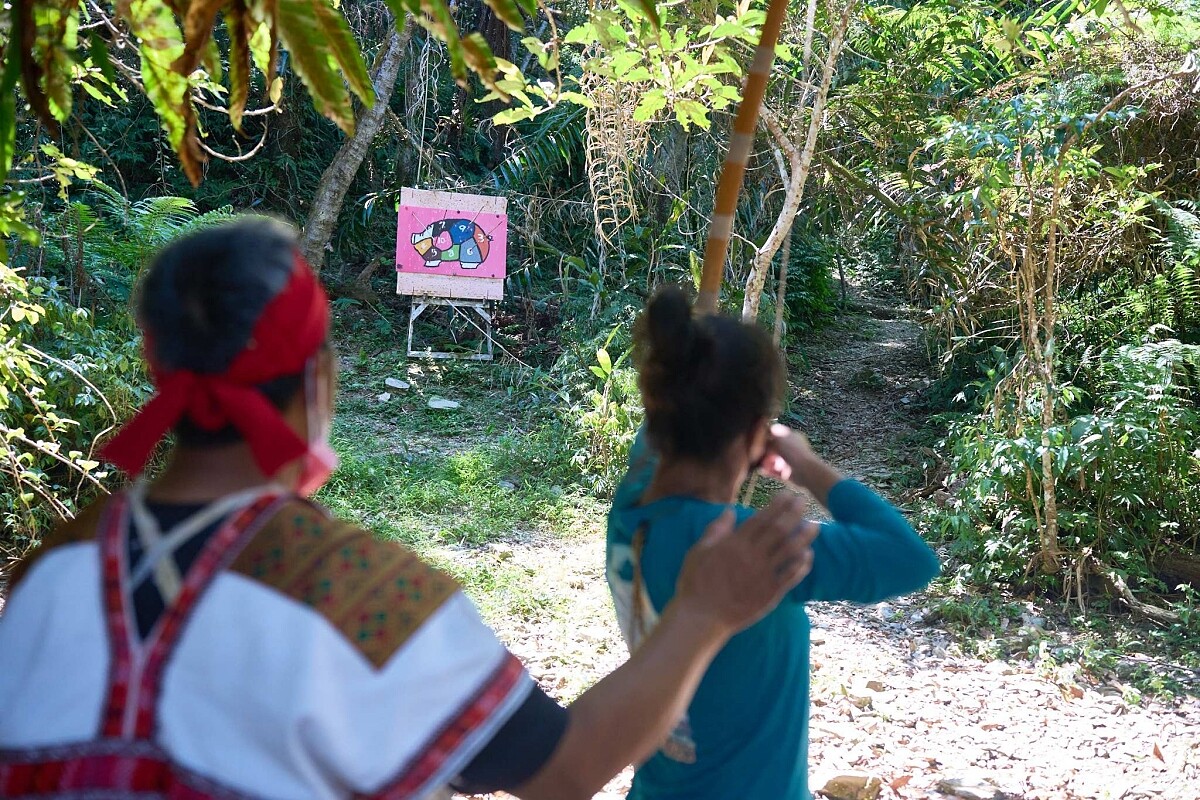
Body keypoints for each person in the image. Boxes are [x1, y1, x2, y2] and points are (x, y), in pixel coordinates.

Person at [0, 219, 819, 800]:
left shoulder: (48, 573)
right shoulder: (360, 593)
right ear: (318, 377)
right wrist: (706, 612)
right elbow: (563, 771)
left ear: (157, 364)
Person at [606, 285, 941, 800]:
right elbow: (909, 560)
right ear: (757, 432)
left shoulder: (631, 512)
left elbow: (664, 423)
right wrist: (807, 466)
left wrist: (695, 368)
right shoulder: (747, 548)